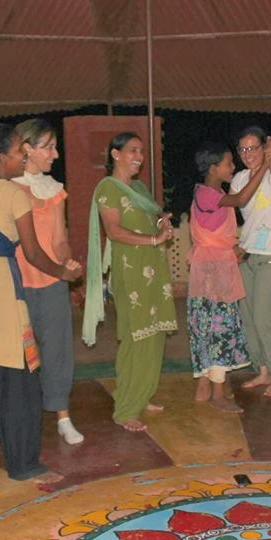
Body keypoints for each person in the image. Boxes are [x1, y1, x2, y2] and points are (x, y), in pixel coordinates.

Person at [0, 123, 81, 482]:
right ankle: (23, 463)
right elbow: (34, 254)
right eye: (18, 152)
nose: (22, 158)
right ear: (3, 157)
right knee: (17, 375)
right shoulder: (14, 195)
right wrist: (63, 273)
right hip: (2, 288)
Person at [83, 132, 177, 432]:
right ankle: (125, 408)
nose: (139, 157)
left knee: (155, 335)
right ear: (115, 154)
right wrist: (154, 239)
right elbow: (113, 231)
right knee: (136, 336)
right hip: (130, 272)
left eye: (141, 151)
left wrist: (162, 223)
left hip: (153, 269)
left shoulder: (139, 188)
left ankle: (143, 393)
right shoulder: (108, 188)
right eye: (132, 150)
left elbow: (154, 215)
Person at [11, 119, 83, 444]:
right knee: (15, 354)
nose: (55, 154)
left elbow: (59, 240)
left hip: (52, 281)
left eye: (55, 147)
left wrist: (67, 260)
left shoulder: (53, 189)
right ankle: (6, 418)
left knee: (57, 350)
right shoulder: (6, 187)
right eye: (48, 147)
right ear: (27, 149)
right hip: (15, 284)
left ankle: (62, 417)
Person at [188, 142, 268, 412]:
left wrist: (230, 250)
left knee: (206, 326)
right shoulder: (208, 195)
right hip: (213, 272)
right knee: (218, 328)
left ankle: (205, 383)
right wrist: (263, 167)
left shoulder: (210, 194)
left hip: (212, 267)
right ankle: (217, 393)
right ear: (213, 168)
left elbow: (214, 235)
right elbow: (242, 199)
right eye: (228, 163)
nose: (233, 167)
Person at [231, 126, 271, 398]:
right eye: (243, 149)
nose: (247, 154)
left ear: (263, 149)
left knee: (267, 317)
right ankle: (263, 370)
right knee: (249, 317)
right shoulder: (239, 179)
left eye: (253, 148)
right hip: (247, 255)